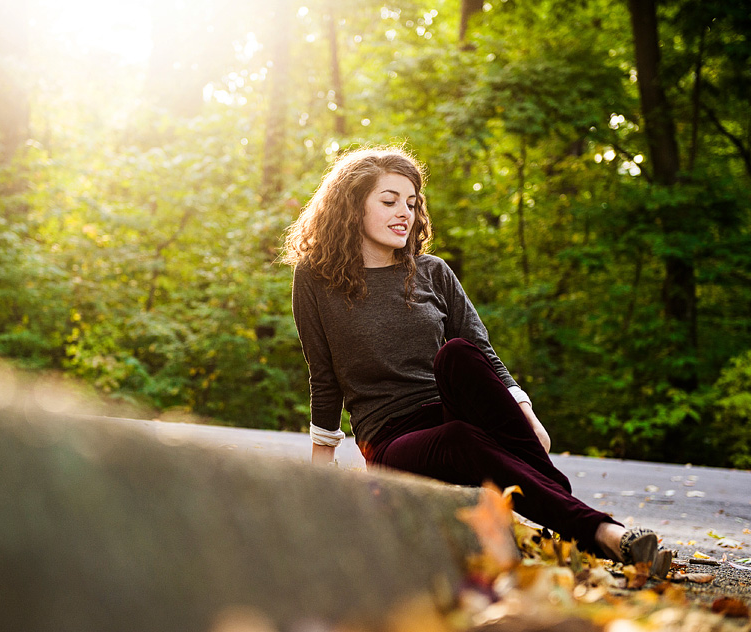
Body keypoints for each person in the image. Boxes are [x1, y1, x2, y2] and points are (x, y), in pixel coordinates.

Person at [281, 146, 671, 574]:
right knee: (462, 439)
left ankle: (577, 524)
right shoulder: (315, 280)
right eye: (389, 200)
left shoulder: (431, 272)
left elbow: (483, 354)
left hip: (452, 408)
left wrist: (526, 414)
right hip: (391, 437)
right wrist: (323, 470)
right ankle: (602, 533)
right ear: (352, 206)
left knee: (458, 354)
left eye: (412, 203)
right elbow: (324, 377)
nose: (404, 214)